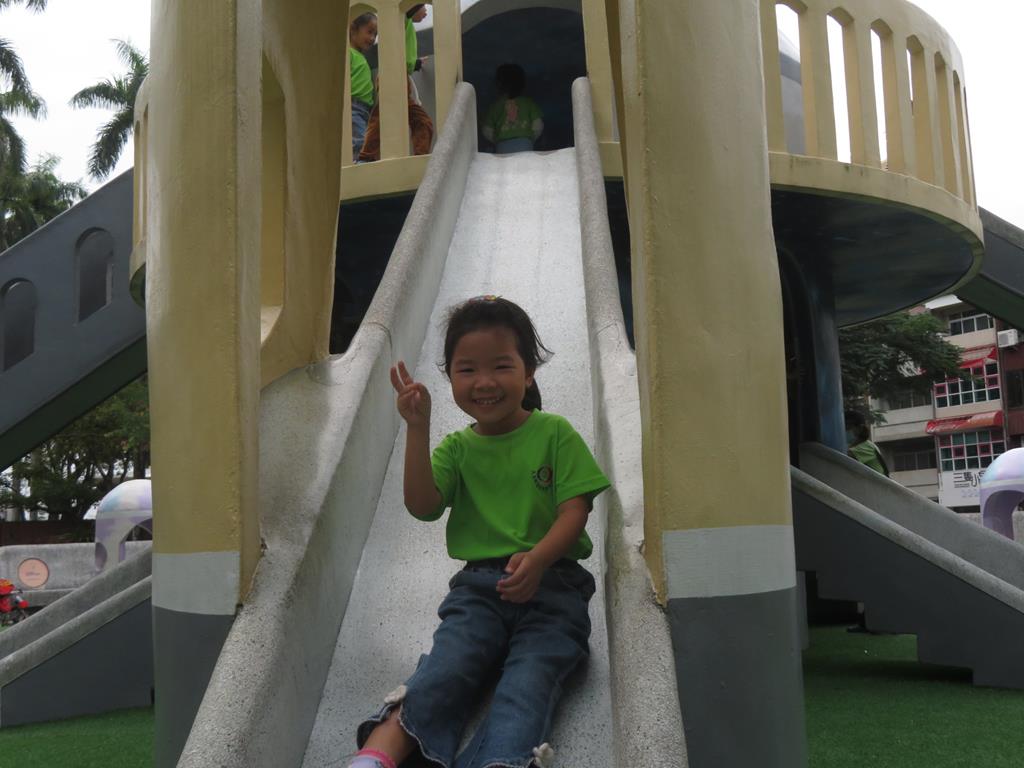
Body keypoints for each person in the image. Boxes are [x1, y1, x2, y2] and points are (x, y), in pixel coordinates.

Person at [345, 296, 610, 768]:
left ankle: (500, 762)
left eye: (501, 366)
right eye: (467, 370)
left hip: (554, 586)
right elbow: (422, 506)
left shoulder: (554, 433)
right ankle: (376, 756)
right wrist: (417, 428)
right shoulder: (457, 449)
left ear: (528, 373)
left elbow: (575, 511)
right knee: (447, 666)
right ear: (450, 378)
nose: (484, 382)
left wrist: (539, 559)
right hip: (479, 589)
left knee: (528, 683)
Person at [357, 3, 434, 162]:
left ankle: (421, 158)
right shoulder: (403, 17)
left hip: (402, 76)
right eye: (423, 6)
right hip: (392, 74)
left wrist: (416, 64)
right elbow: (407, 7)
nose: (426, 10)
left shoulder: (406, 24)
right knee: (383, 117)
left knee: (421, 120)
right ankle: (366, 156)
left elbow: (407, 57)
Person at [482, 63, 544, 154]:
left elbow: (487, 130)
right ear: (522, 84)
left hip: (502, 146)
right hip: (525, 144)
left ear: (499, 84)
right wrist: (530, 137)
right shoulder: (529, 103)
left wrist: (496, 139)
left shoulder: (495, 107)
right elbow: (538, 125)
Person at [349, 12, 378, 163]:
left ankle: (362, 163)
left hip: (365, 110)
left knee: (366, 140)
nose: (373, 38)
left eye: (375, 34)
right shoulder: (349, 53)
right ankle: (358, 165)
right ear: (353, 29)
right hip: (353, 106)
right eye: (369, 32)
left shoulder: (360, 56)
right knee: (359, 141)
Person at [845, 410, 889, 476]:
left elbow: (841, 456)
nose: (844, 430)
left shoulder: (866, 446)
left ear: (860, 428)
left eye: (848, 427)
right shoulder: (865, 444)